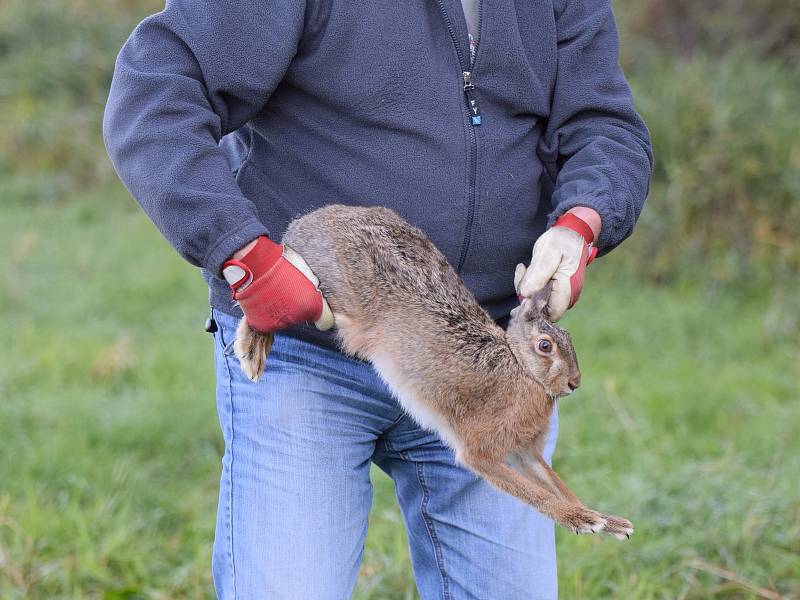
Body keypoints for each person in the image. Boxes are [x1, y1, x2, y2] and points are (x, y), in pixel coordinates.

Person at [103, 0, 652, 596]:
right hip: (307, 351)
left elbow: (603, 125)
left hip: (490, 368)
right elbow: (157, 88)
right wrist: (241, 253)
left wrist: (583, 220)